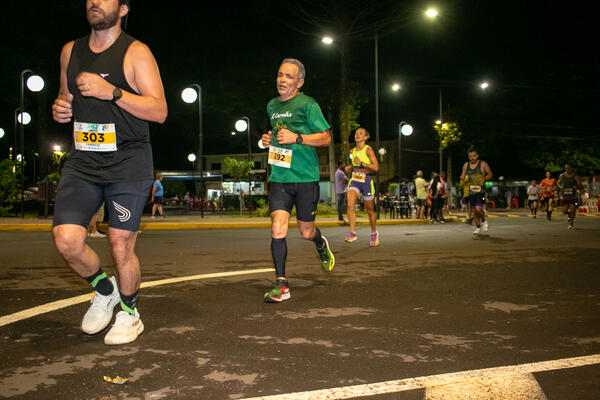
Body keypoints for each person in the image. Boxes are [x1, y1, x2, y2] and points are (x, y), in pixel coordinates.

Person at [51, 0, 167, 345]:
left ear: (124, 8)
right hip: (83, 161)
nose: (94, 2)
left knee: (120, 243)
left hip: (127, 162)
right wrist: (61, 108)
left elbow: (159, 110)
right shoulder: (69, 51)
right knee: (67, 242)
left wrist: (113, 92)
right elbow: (65, 97)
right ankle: (105, 290)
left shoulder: (136, 53)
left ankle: (130, 315)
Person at [260, 58, 334, 303]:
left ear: (300, 81)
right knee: (277, 228)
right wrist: (268, 140)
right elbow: (277, 135)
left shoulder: (308, 104)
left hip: (305, 177)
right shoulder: (271, 106)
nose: (282, 80)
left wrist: (298, 138)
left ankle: (320, 243)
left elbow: (325, 138)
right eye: (280, 75)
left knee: (305, 232)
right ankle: (281, 284)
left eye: (289, 77)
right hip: (280, 176)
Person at [344, 127, 380, 246]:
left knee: (369, 210)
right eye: (356, 133)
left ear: (365, 137)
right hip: (355, 180)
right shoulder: (352, 151)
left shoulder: (368, 150)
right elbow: (354, 164)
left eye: (361, 134)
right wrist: (350, 168)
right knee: (350, 205)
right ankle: (352, 233)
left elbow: (375, 168)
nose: (357, 135)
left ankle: (374, 233)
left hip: (366, 181)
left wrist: (361, 163)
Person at [460, 147, 493, 235]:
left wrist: (484, 179)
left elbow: (490, 174)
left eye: (474, 156)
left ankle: (484, 220)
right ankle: (478, 227)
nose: (472, 158)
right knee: (474, 210)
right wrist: (463, 179)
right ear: (468, 156)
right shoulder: (466, 165)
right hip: (471, 191)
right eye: (470, 156)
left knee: (478, 209)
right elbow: (462, 176)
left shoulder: (483, 164)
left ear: (477, 156)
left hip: (481, 191)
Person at [557, 163, 583, 229]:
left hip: (573, 196)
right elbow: (558, 183)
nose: (567, 169)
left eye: (568, 168)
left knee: (573, 209)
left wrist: (577, 186)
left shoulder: (575, 176)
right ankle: (569, 214)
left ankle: (571, 222)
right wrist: (561, 186)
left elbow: (580, 185)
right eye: (566, 168)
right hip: (564, 195)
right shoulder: (562, 175)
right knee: (564, 211)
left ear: (572, 168)